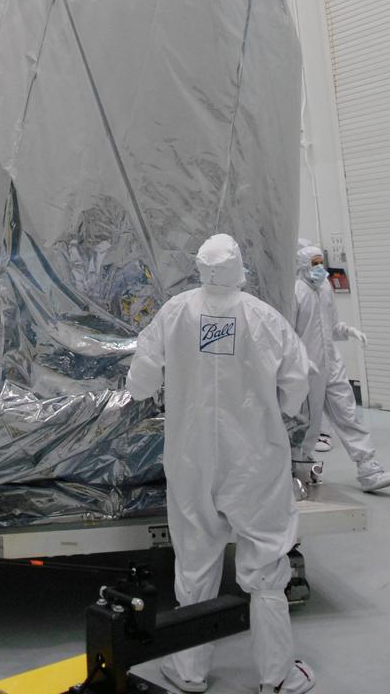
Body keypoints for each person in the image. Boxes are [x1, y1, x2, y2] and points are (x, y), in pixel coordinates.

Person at [126, 234, 314, 694]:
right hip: (254, 458)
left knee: (194, 561)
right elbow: (296, 384)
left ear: (199, 267)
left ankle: (188, 671)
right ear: (238, 268)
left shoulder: (176, 312)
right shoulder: (263, 317)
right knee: (266, 562)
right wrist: (275, 409)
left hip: (191, 458)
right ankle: (277, 677)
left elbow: (140, 382)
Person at [292, 245, 390, 492]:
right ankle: (299, 466)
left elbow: (331, 325)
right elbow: (287, 332)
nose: (320, 267)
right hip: (307, 365)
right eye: (314, 263)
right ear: (303, 265)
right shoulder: (295, 292)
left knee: (348, 412)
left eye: (321, 262)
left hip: (331, 360)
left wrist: (348, 331)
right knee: (308, 421)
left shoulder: (325, 288)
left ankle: (369, 469)